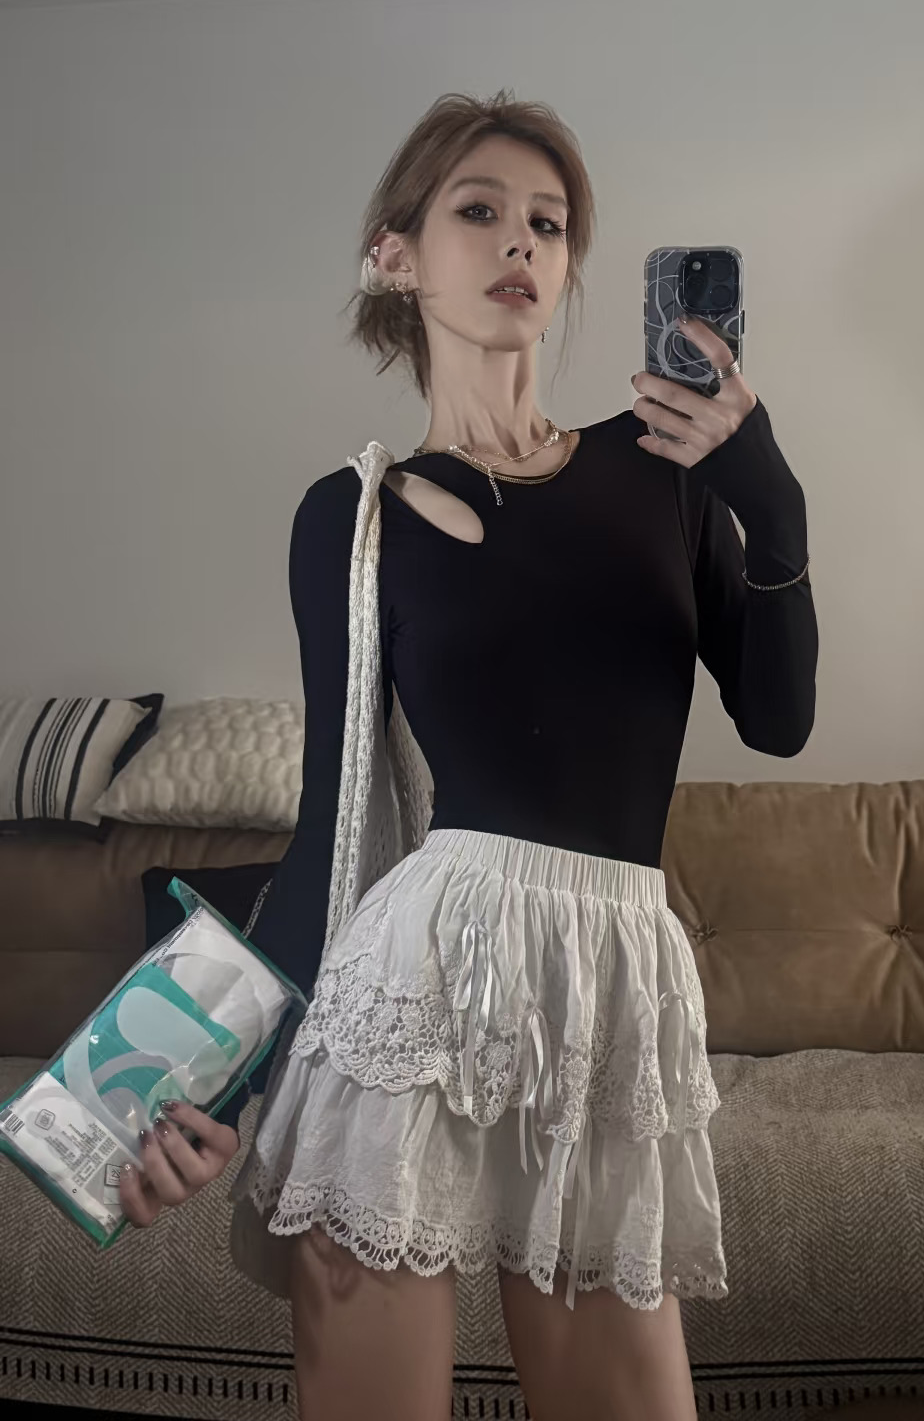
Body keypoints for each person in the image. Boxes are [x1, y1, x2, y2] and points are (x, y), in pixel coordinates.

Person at [117, 89, 818, 1421]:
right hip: (412, 989)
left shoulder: (667, 471)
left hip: (610, 986)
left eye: (549, 225)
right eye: (480, 210)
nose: (521, 242)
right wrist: (190, 1088)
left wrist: (770, 507)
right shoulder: (352, 517)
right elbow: (331, 827)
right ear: (396, 255)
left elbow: (778, 718)